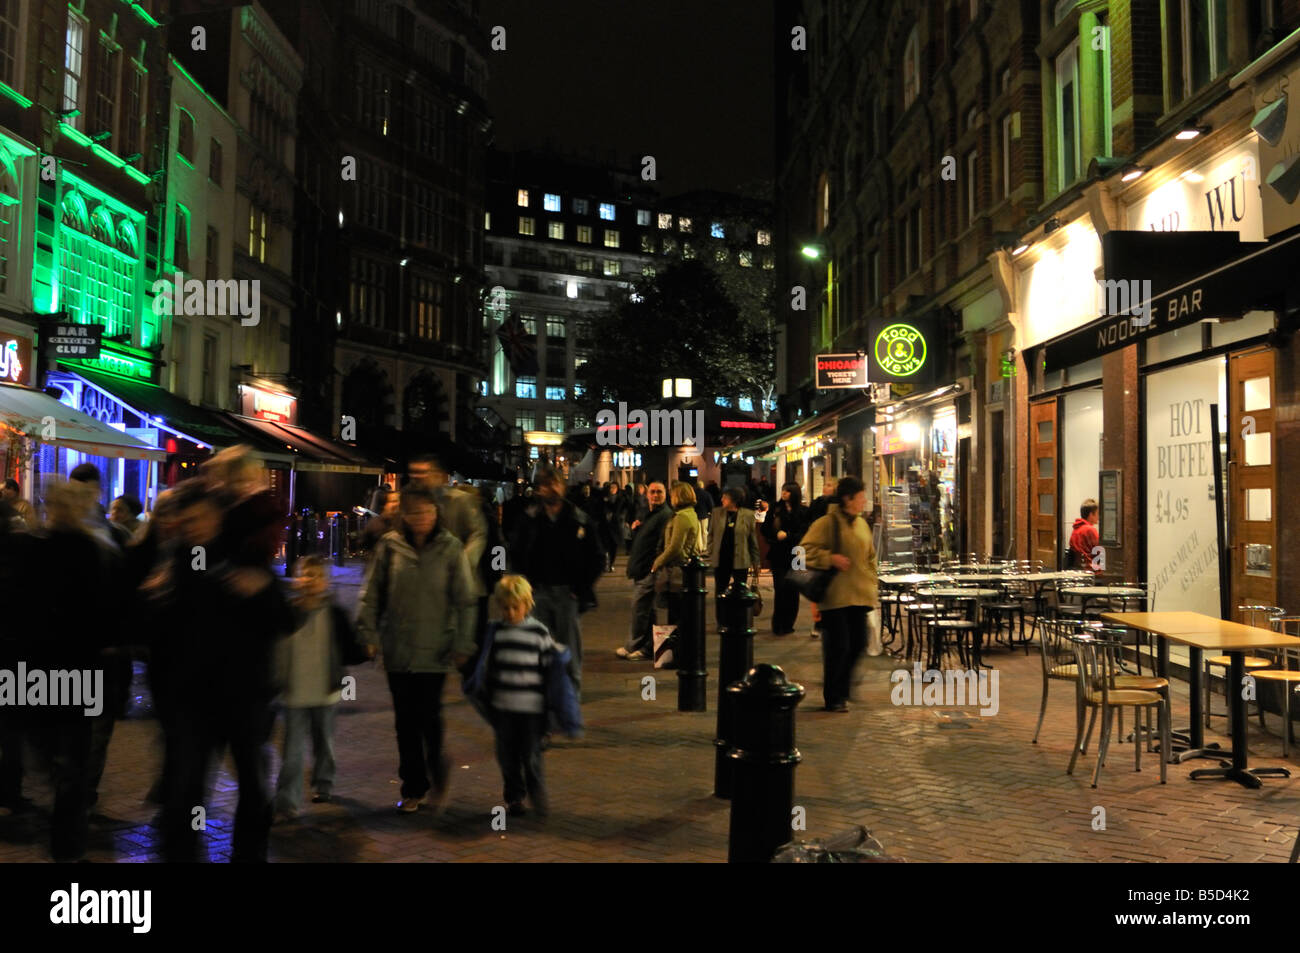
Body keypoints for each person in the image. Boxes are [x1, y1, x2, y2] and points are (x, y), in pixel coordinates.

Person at [147, 478, 296, 862]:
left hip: (244, 697)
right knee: (186, 791)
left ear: (216, 515)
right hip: (192, 701)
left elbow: (283, 619)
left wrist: (260, 590)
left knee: (253, 786)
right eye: (186, 520)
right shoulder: (178, 560)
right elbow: (160, 634)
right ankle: (183, 853)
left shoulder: (245, 555)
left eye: (197, 518)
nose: (191, 526)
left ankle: (248, 855)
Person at [357, 485, 477, 814]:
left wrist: (463, 642)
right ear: (405, 517)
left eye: (427, 512)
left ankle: (436, 764)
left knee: (429, 718)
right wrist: (367, 632)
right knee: (405, 723)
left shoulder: (450, 548)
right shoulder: (390, 547)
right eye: (414, 513)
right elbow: (371, 593)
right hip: (398, 648)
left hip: (435, 649)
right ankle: (413, 785)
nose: (422, 519)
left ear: (435, 513)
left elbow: (465, 601)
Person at [273, 557, 361, 821]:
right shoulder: (287, 613)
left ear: (326, 582)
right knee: (292, 751)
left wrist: (366, 649)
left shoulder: (335, 614)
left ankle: (324, 784)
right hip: (294, 692)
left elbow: (350, 650)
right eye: (305, 575)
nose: (310, 581)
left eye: (316, 576)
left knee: (325, 742)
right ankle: (287, 801)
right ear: (297, 579)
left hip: (326, 690)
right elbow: (276, 650)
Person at [508, 467, 604, 701]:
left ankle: (568, 702)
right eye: (546, 484)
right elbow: (516, 553)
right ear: (539, 489)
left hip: (566, 594)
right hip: (537, 592)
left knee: (569, 650)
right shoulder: (529, 519)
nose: (551, 489)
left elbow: (597, 557)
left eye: (555, 484)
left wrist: (580, 589)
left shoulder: (578, 519)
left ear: (563, 486)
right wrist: (523, 586)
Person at [799, 476, 878, 712]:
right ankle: (834, 696)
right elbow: (801, 553)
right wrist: (828, 558)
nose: (864, 502)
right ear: (847, 498)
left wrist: (872, 579)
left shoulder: (862, 524)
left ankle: (842, 688)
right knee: (839, 647)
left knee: (858, 644)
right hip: (835, 598)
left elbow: (870, 556)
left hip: (860, 596)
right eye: (861, 497)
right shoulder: (827, 523)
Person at [483, 574, 556, 817]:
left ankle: (535, 789)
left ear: (527, 605)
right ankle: (514, 796)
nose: (511, 613)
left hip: (531, 710)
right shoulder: (496, 632)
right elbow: (489, 668)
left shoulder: (538, 632)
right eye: (505, 608)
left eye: (516, 607)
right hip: (504, 708)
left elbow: (548, 670)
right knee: (507, 756)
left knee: (531, 755)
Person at [617, 482, 671, 660]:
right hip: (641, 567)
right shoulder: (649, 514)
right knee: (647, 610)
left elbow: (661, 544)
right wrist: (637, 529)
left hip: (650, 568)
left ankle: (635, 645)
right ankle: (649, 647)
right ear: (647, 494)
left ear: (665, 494)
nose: (655, 495)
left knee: (640, 608)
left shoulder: (664, 515)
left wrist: (654, 566)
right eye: (652, 492)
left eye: (659, 492)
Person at [650, 482, 702, 626]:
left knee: (676, 615)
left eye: (672, 495)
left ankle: (677, 647)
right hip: (683, 569)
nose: (671, 498)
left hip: (677, 571)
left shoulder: (682, 517)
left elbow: (675, 547)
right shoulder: (690, 513)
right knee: (680, 614)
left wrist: (657, 562)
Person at [707, 486, 760, 625]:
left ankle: (737, 619)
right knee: (720, 591)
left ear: (734, 500)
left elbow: (752, 540)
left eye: (725, 497)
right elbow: (711, 535)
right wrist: (711, 550)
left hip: (740, 558)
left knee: (739, 590)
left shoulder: (748, 515)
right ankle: (722, 621)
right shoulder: (717, 512)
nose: (722, 499)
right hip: (721, 558)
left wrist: (756, 561)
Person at [763, 482, 810, 635]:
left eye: (788, 491)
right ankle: (778, 624)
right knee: (780, 588)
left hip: (797, 553)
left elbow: (806, 532)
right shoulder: (775, 509)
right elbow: (765, 529)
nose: (784, 493)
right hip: (779, 553)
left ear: (794, 493)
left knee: (793, 590)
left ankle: (789, 623)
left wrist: (788, 535)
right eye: (783, 490)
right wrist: (774, 536)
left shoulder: (803, 511)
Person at [1069, 498, 1100, 571]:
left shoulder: (1076, 529)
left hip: (1078, 568)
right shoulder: (1090, 530)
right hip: (1090, 569)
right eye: (1098, 513)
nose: (1099, 517)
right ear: (1091, 514)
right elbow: (1099, 552)